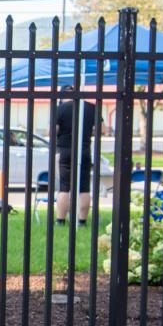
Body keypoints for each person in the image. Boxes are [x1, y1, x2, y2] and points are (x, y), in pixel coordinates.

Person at [51, 84, 96, 226]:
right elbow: (100, 129)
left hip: (65, 149)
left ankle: (60, 220)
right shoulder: (90, 107)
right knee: (84, 187)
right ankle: (82, 220)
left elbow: (53, 131)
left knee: (64, 187)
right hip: (84, 149)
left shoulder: (60, 109)